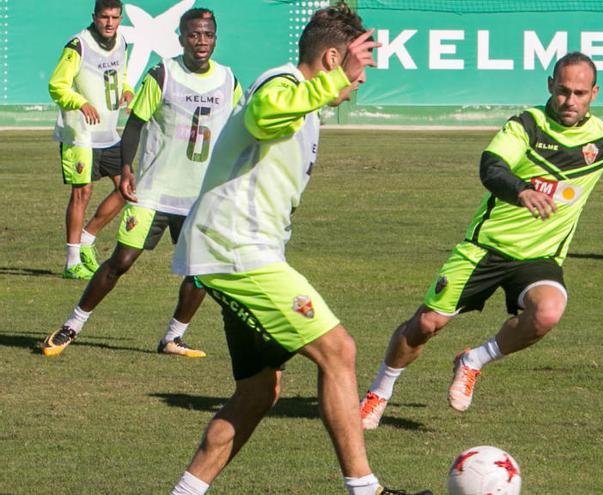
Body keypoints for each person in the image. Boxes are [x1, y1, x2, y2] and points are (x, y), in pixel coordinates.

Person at [168, 4, 430, 495]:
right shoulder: (280, 82)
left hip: (239, 251)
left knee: (258, 391)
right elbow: (266, 115)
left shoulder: (307, 103)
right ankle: (365, 489)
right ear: (333, 59)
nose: (361, 81)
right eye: (359, 67)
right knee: (339, 351)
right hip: (236, 250)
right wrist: (330, 86)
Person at [359, 51, 603, 429]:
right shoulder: (526, 125)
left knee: (548, 312)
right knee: (427, 324)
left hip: (539, 257)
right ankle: (379, 392)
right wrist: (521, 191)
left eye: (580, 93)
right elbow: (492, 166)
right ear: (550, 85)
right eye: (563, 91)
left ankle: (473, 361)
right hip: (484, 249)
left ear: (594, 93)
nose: (570, 101)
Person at [41, 8, 242, 358]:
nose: (201, 42)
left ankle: (172, 338)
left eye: (208, 35)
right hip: (154, 192)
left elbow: (242, 127)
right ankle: (72, 325)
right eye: (194, 34)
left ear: (216, 38)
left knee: (201, 271)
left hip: (198, 198)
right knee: (121, 261)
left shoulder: (227, 80)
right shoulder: (164, 73)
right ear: (180, 38)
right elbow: (134, 124)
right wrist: (128, 169)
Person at [49, 0, 134, 280]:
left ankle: (87, 239)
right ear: (94, 17)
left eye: (115, 17)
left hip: (109, 133)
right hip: (80, 134)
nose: (110, 23)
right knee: (81, 194)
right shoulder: (78, 45)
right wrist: (80, 102)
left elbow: (120, 74)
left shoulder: (121, 42)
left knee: (128, 188)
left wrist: (128, 90)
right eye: (104, 17)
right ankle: (72, 262)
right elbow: (57, 85)